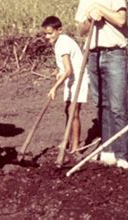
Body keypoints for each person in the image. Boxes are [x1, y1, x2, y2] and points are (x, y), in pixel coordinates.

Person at [71, 0, 128, 169]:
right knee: (102, 105)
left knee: (117, 106)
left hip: (114, 53)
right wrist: (88, 18)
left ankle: (122, 154)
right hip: (93, 53)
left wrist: (102, 11)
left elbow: (121, 19)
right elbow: (81, 30)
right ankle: (107, 149)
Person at [42, 16, 89, 153]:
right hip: (71, 79)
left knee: (73, 112)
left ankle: (75, 146)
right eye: (45, 33)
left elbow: (68, 70)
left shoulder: (63, 43)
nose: (47, 36)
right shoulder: (59, 42)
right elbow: (65, 66)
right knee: (68, 110)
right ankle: (66, 142)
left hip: (78, 79)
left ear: (59, 30)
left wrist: (54, 87)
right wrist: (58, 71)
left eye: (50, 33)